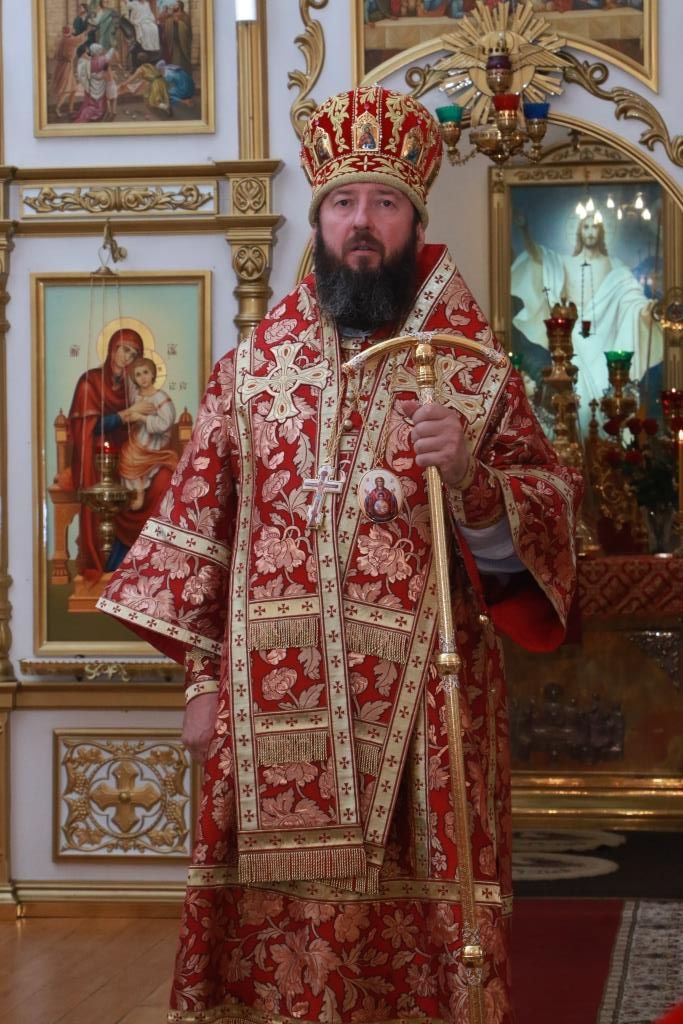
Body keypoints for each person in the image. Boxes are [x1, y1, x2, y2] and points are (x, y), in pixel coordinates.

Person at [99, 87, 582, 1024]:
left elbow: (552, 525)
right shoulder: (251, 373)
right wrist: (201, 682)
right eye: (343, 203)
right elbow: (200, 536)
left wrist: (474, 480)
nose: (362, 223)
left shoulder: (474, 373)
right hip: (269, 711)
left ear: (415, 221)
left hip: (427, 720)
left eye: (384, 203)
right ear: (319, 222)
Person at [512, 210, 662, 428]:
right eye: (586, 227)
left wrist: (645, 310)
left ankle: (609, 439)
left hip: (605, 341)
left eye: (595, 227)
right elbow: (538, 256)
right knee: (576, 396)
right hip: (575, 343)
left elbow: (633, 298)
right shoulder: (566, 262)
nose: (590, 232)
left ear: (601, 232)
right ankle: (577, 439)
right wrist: (525, 230)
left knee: (607, 392)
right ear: (579, 232)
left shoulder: (615, 266)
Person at [68, 327, 173, 574]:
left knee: (165, 480)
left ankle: (149, 559)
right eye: (124, 349)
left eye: (134, 354)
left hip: (132, 452)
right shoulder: (90, 381)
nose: (127, 357)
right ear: (112, 348)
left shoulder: (133, 387)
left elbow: (160, 419)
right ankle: (112, 560)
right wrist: (126, 415)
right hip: (97, 457)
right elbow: (89, 427)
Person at [118, 356, 179, 511]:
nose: (143, 377)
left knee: (132, 457)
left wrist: (141, 417)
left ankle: (139, 493)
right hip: (137, 436)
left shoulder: (160, 397)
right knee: (126, 456)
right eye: (138, 374)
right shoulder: (135, 396)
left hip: (155, 440)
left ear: (152, 374)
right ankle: (135, 491)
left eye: (145, 372)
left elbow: (165, 423)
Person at [51, 26, 89, 117]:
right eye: (71, 30)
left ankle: (70, 110)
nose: (73, 30)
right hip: (66, 67)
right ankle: (57, 108)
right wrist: (87, 31)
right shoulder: (69, 40)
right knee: (66, 90)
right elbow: (79, 39)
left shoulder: (63, 40)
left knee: (73, 89)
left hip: (63, 66)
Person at [159, 1, 192, 73]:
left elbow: (188, 31)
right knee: (174, 61)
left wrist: (178, 23)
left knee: (181, 63)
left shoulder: (185, 17)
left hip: (182, 46)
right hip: (173, 45)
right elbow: (166, 25)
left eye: (176, 7)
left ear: (180, 8)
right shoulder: (170, 17)